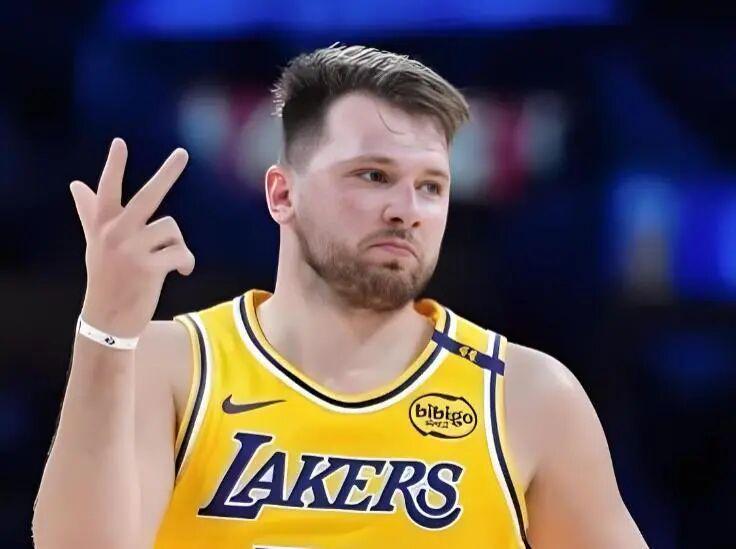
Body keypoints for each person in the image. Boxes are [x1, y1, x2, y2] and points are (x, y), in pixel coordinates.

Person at [33, 44, 647, 548]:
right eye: (373, 176)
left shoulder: (527, 396)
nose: (407, 210)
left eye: (431, 186)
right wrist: (105, 328)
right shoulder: (171, 365)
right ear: (282, 194)